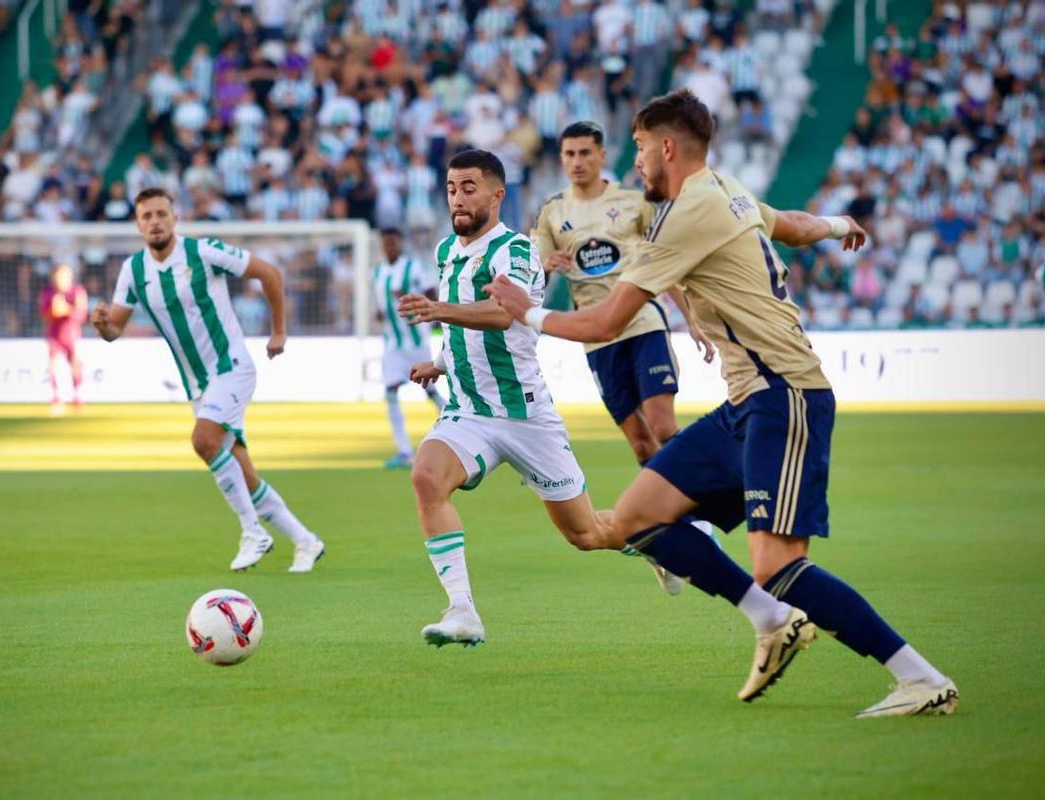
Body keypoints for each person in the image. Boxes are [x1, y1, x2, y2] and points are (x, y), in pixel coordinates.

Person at [486, 90, 957, 717]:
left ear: (668, 147)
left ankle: (921, 678)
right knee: (637, 518)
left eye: (640, 148)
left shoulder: (686, 212)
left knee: (779, 565)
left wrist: (528, 313)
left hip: (785, 395)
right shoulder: (726, 190)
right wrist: (841, 224)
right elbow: (790, 224)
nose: (636, 161)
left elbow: (603, 323)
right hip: (746, 403)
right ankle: (771, 623)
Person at [396, 149, 628, 649]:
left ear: (497, 195)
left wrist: (438, 309)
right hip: (468, 412)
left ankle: (659, 543)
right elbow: (470, 327)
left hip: (524, 415)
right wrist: (440, 362)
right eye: (452, 187)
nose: (458, 198)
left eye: (469, 188)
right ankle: (462, 610)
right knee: (426, 476)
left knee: (586, 534)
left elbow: (504, 315)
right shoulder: (445, 251)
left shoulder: (516, 251)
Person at [91, 188, 326, 574]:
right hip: (198, 387)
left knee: (203, 440)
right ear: (137, 224)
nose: (155, 221)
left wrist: (278, 331)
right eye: (146, 216)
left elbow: (269, 272)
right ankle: (305, 541)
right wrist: (102, 325)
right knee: (244, 475)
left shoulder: (203, 252)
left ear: (175, 218)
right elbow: (115, 327)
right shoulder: (133, 271)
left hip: (231, 367)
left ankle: (253, 532)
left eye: (161, 214)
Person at [532, 120, 721, 594]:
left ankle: (697, 518)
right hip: (597, 339)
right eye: (568, 154)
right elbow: (526, 278)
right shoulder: (552, 214)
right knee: (640, 444)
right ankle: (665, 525)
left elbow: (665, 262)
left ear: (601, 155)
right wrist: (543, 265)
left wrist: (692, 317)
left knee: (662, 425)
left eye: (584, 153)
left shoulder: (632, 203)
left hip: (643, 323)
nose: (576, 162)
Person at [373, 228, 446, 468]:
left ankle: (454, 426)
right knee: (390, 391)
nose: (390, 247)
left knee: (430, 390)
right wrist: (381, 313)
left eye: (393, 242)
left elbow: (431, 294)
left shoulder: (412, 267)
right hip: (393, 343)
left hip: (416, 341)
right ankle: (404, 451)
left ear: (400, 243)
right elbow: (383, 305)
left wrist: (408, 297)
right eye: (386, 243)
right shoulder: (377, 272)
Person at [40, 263, 87, 414]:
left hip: (71, 333)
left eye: (64, 276)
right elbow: (44, 313)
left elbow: (82, 314)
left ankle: (77, 394)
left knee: (75, 362)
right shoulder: (49, 293)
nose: (61, 280)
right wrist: (53, 311)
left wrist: (67, 309)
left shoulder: (78, 291)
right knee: (54, 363)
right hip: (54, 333)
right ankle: (56, 396)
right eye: (58, 277)